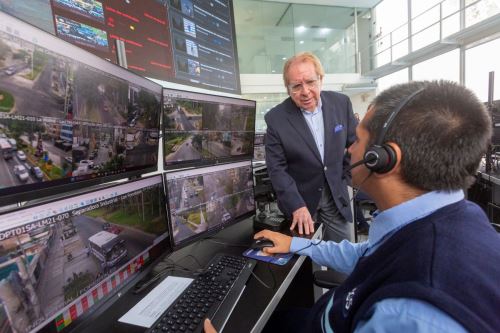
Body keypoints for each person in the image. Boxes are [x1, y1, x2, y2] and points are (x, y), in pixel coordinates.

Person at [204, 80, 500, 333]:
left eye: (356, 138)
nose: (348, 148)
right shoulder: (452, 218)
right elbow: (368, 255)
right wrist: (295, 244)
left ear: (382, 158)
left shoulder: (409, 314)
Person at [264, 52, 357, 241]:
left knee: (342, 259)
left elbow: (355, 145)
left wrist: (345, 177)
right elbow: (277, 169)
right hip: (300, 203)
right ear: (288, 88)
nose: (305, 91)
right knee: (306, 264)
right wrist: (296, 205)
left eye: (310, 82)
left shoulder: (341, 103)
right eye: (297, 86)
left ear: (321, 79)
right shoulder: (276, 118)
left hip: (335, 197)